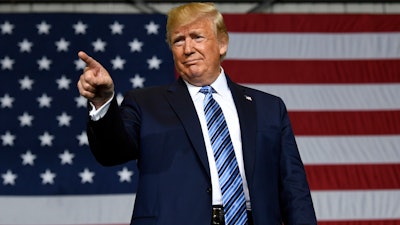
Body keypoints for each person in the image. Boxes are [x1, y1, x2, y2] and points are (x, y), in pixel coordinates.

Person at [77, 2, 317, 225]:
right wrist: (102, 100)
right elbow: (111, 153)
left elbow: (293, 186)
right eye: (178, 41)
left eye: (197, 37)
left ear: (222, 43)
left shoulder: (269, 108)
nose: (188, 49)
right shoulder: (145, 103)